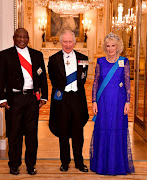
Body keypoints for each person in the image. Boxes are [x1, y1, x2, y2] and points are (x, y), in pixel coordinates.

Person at [0, 28, 48, 175]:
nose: (22, 39)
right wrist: (2, 99)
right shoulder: (5, 55)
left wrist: (44, 96)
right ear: (14, 38)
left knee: (32, 134)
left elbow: (42, 76)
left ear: (29, 38)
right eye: (19, 37)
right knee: (14, 134)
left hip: (32, 99)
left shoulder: (37, 55)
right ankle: (14, 164)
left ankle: (31, 165)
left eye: (25, 37)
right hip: (14, 99)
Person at [90, 32, 135, 175]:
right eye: (108, 46)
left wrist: (128, 101)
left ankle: (117, 165)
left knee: (117, 128)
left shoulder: (124, 61)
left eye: (113, 46)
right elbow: (95, 82)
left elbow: (127, 83)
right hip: (103, 101)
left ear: (118, 47)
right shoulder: (100, 62)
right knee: (103, 128)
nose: (110, 49)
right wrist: (93, 101)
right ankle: (102, 164)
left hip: (119, 102)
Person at [48, 30, 89, 172]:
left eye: (70, 41)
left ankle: (79, 162)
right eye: (65, 42)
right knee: (63, 131)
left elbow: (83, 78)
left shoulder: (83, 58)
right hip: (62, 100)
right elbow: (53, 80)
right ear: (61, 42)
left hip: (77, 99)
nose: (68, 44)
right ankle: (64, 162)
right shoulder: (53, 60)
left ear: (75, 42)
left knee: (78, 132)